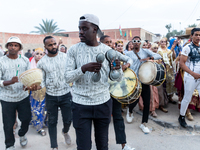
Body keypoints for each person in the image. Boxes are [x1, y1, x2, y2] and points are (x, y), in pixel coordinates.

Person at [65, 14, 132, 150]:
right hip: (80, 105)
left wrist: (117, 70)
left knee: (102, 145)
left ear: (95, 29)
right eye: (79, 29)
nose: (80, 32)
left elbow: (117, 79)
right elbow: (67, 78)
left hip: (103, 104)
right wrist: (83, 69)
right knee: (83, 146)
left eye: (84, 28)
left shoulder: (107, 51)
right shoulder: (73, 50)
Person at [0, 36, 38, 150]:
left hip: (22, 97)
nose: (13, 47)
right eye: (10, 45)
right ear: (7, 47)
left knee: (26, 119)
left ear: (19, 48)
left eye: (16, 45)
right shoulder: (1, 61)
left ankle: (22, 134)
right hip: (7, 98)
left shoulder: (24, 60)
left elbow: (28, 78)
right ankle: (10, 145)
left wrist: (30, 86)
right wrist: (10, 82)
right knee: (8, 124)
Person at [37, 36, 72, 149]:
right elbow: (42, 80)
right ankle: (54, 146)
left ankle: (65, 132)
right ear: (45, 47)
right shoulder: (42, 62)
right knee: (52, 122)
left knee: (68, 119)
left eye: (54, 44)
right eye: (50, 45)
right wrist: (37, 86)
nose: (53, 46)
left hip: (66, 94)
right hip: (51, 96)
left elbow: (71, 73)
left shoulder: (65, 57)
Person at [100, 35, 135, 150]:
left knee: (118, 117)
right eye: (106, 42)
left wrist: (126, 65)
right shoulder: (98, 56)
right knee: (103, 120)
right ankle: (102, 145)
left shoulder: (115, 55)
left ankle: (123, 144)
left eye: (111, 42)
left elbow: (130, 59)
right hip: (102, 92)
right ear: (101, 43)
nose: (109, 44)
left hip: (115, 91)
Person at [125, 36, 162, 134]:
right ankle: (130, 110)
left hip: (144, 81)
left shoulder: (145, 51)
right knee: (135, 100)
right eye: (134, 41)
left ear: (140, 42)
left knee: (147, 102)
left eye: (138, 41)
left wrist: (149, 58)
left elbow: (159, 56)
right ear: (132, 43)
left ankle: (144, 123)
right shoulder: (127, 53)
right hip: (133, 81)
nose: (136, 42)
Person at [179, 28, 200, 128]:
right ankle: (181, 117)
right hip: (190, 77)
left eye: (199, 35)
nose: (198, 37)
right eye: (196, 35)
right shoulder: (187, 47)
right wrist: (193, 74)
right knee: (187, 98)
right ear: (191, 36)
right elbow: (181, 64)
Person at [29, 47, 47, 136]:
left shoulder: (46, 64)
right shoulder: (29, 65)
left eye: (41, 54)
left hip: (44, 89)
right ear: (33, 54)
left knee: (44, 107)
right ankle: (39, 127)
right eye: (37, 54)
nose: (39, 56)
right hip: (33, 90)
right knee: (36, 108)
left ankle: (42, 122)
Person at [157, 37, 177, 103]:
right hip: (163, 69)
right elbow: (164, 56)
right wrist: (172, 49)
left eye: (164, 42)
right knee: (165, 84)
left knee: (171, 83)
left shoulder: (168, 50)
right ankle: (165, 98)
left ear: (166, 43)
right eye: (162, 42)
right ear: (160, 43)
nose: (163, 43)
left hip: (170, 68)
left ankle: (170, 97)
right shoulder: (159, 50)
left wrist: (173, 50)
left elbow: (174, 56)